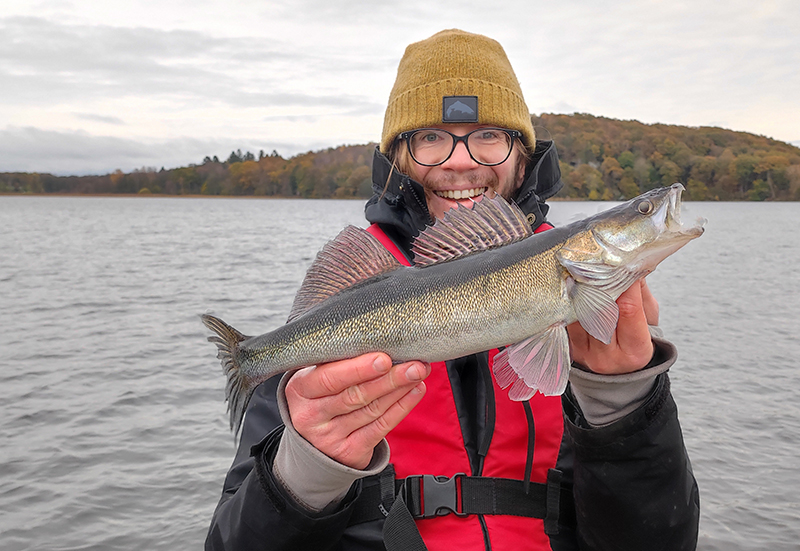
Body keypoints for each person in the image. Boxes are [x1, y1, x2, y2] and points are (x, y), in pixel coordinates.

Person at [205, 29, 700, 551]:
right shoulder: (342, 309)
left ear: (523, 155)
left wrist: (621, 405)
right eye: (431, 138)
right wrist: (303, 472)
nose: (461, 161)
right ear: (397, 157)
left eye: (488, 134)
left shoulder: (592, 314)